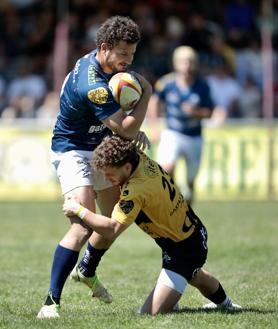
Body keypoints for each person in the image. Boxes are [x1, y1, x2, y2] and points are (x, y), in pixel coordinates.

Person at [37, 16, 152, 319]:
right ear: (104, 48)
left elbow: (120, 127)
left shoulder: (105, 69)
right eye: (123, 54)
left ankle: (86, 269)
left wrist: (125, 128)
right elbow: (126, 129)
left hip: (100, 148)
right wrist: (147, 94)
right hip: (72, 151)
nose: (129, 61)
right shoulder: (93, 84)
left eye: (132, 55)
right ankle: (51, 302)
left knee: (116, 220)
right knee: (83, 225)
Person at [63, 135, 242, 315]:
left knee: (148, 314)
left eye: (109, 174)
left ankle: (176, 292)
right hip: (190, 233)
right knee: (195, 275)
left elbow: (111, 229)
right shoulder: (137, 157)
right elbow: (122, 142)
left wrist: (79, 210)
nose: (107, 179)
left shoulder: (136, 190)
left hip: (184, 249)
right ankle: (225, 304)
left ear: (126, 167)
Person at [147, 46, 213, 205]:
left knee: (191, 180)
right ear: (176, 64)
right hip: (173, 133)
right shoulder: (166, 83)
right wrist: (154, 127)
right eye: (183, 62)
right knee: (166, 169)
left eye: (190, 62)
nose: (187, 66)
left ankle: (188, 200)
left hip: (194, 136)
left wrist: (196, 112)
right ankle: (174, 196)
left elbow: (209, 112)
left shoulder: (202, 85)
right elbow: (153, 101)